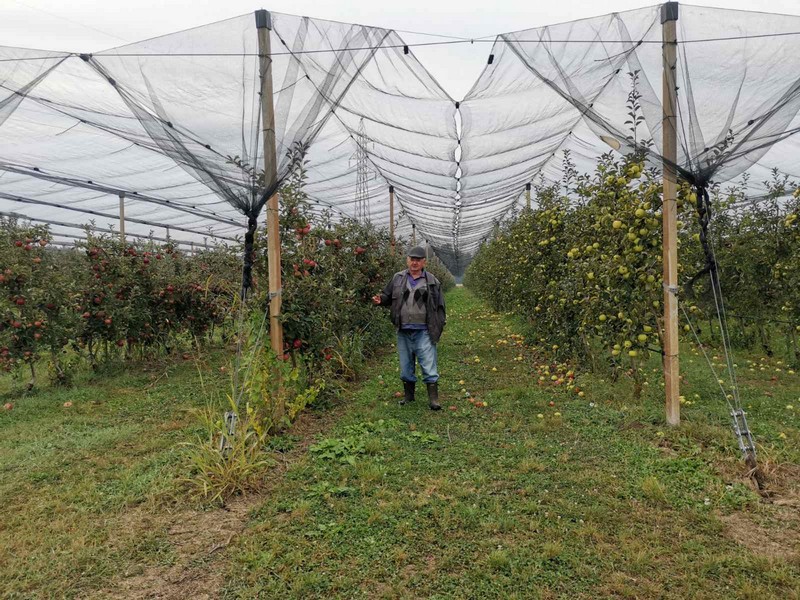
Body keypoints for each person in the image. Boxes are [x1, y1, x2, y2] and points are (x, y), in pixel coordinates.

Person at [372, 246, 446, 410]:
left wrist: (438, 326)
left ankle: (433, 400)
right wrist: (381, 300)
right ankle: (409, 397)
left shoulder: (432, 281)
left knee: (428, 364)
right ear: (407, 260)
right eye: (412, 259)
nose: (414, 262)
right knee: (406, 366)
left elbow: (440, 307)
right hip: (403, 330)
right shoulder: (398, 278)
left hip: (424, 330)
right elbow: (388, 295)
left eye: (418, 260)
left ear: (424, 262)